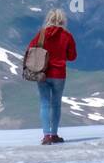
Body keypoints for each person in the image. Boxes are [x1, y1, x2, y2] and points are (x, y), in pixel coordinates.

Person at [28, 8, 77, 145]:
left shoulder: (42, 34)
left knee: (44, 103)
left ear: (48, 19)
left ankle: (46, 135)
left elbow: (30, 49)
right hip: (59, 74)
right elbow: (72, 56)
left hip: (42, 73)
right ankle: (54, 134)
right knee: (56, 104)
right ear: (63, 20)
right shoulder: (67, 35)